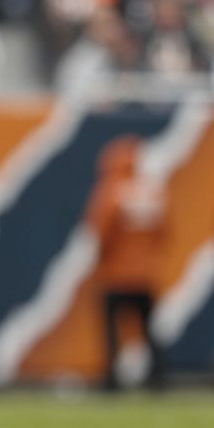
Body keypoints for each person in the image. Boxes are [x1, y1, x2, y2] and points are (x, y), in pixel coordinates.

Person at [86, 135, 167, 391]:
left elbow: (100, 231)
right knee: (148, 330)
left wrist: (105, 261)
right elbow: (164, 231)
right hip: (145, 274)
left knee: (112, 332)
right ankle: (158, 377)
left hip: (116, 274)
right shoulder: (151, 190)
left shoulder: (112, 191)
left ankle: (112, 379)